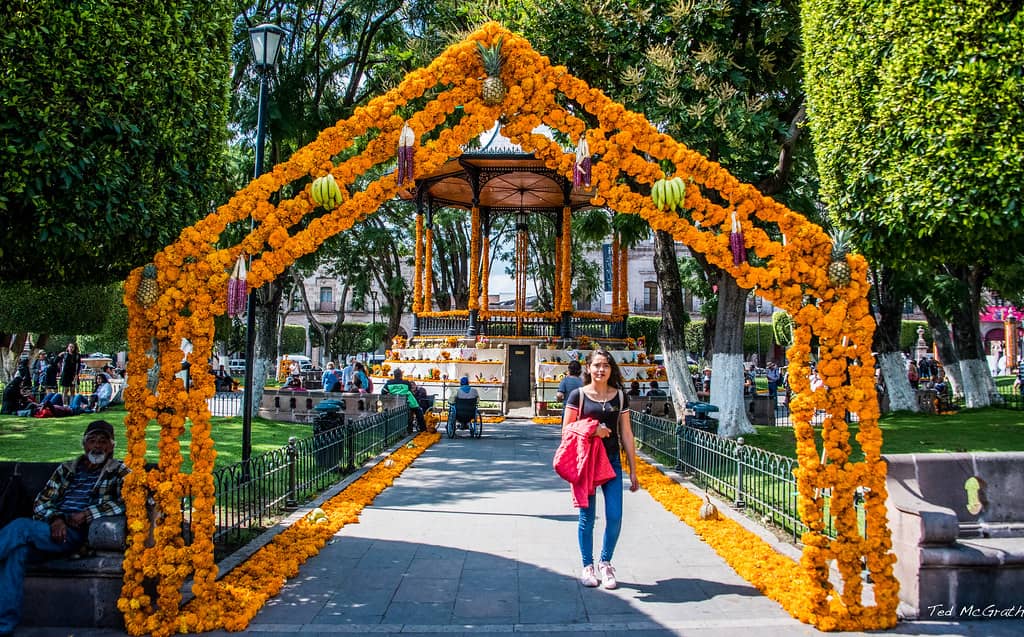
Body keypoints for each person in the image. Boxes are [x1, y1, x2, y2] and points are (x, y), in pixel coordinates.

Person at [0, 419, 129, 636]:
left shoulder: (119, 471)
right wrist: (56, 518)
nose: (97, 446)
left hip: (76, 535)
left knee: (20, 527)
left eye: (103, 442)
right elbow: (42, 502)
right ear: (84, 444)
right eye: (92, 441)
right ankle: (4, 626)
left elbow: (127, 501)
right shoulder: (66, 469)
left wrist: (88, 514)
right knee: (16, 552)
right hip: (49, 529)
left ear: (112, 446)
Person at [562, 350, 640, 590]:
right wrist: (593, 431)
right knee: (587, 518)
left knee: (615, 515)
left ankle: (606, 562)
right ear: (588, 368)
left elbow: (626, 432)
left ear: (611, 369)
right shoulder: (578, 396)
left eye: (605, 365)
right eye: (596, 365)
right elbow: (566, 429)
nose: (600, 370)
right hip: (587, 463)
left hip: (612, 461)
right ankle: (588, 566)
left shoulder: (620, 397)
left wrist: (634, 470)